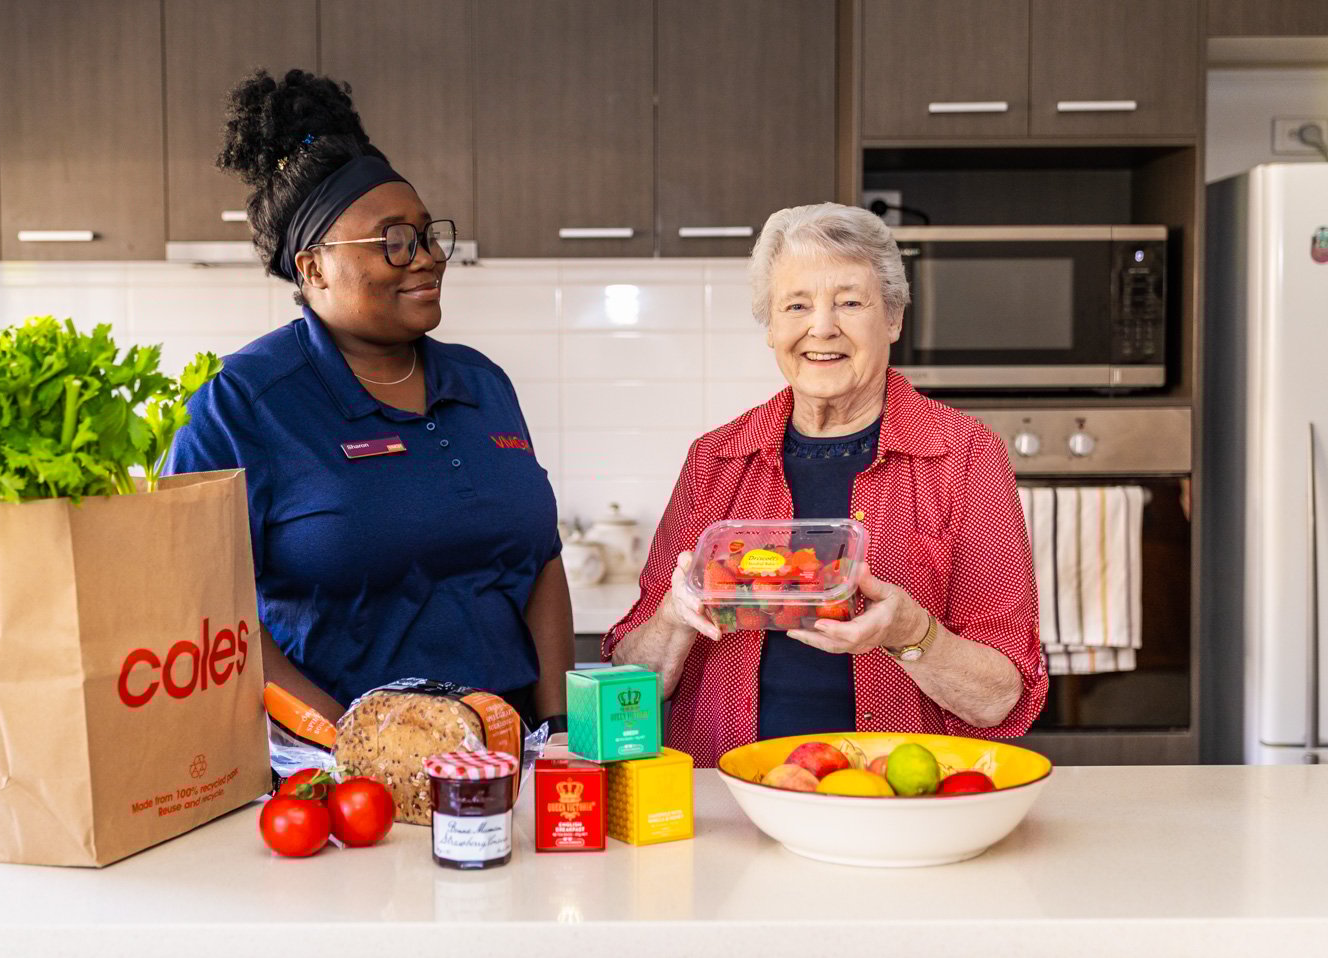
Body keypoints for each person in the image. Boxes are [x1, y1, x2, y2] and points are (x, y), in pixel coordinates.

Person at [167, 70, 572, 731]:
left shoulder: (483, 384)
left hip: (511, 754)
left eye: (427, 234)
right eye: (393, 241)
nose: (426, 257)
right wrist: (349, 746)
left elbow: (540, 563)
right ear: (313, 267)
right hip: (336, 775)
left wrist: (558, 730)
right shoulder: (238, 405)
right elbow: (206, 611)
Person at [605, 203, 1048, 766]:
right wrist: (674, 616)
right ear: (772, 328)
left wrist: (913, 633)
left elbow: (1002, 698)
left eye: (849, 302)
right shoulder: (717, 460)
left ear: (892, 319)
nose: (821, 327)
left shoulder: (962, 456)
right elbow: (631, 682)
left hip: (895, 798)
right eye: (796, 305)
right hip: (732, 798)